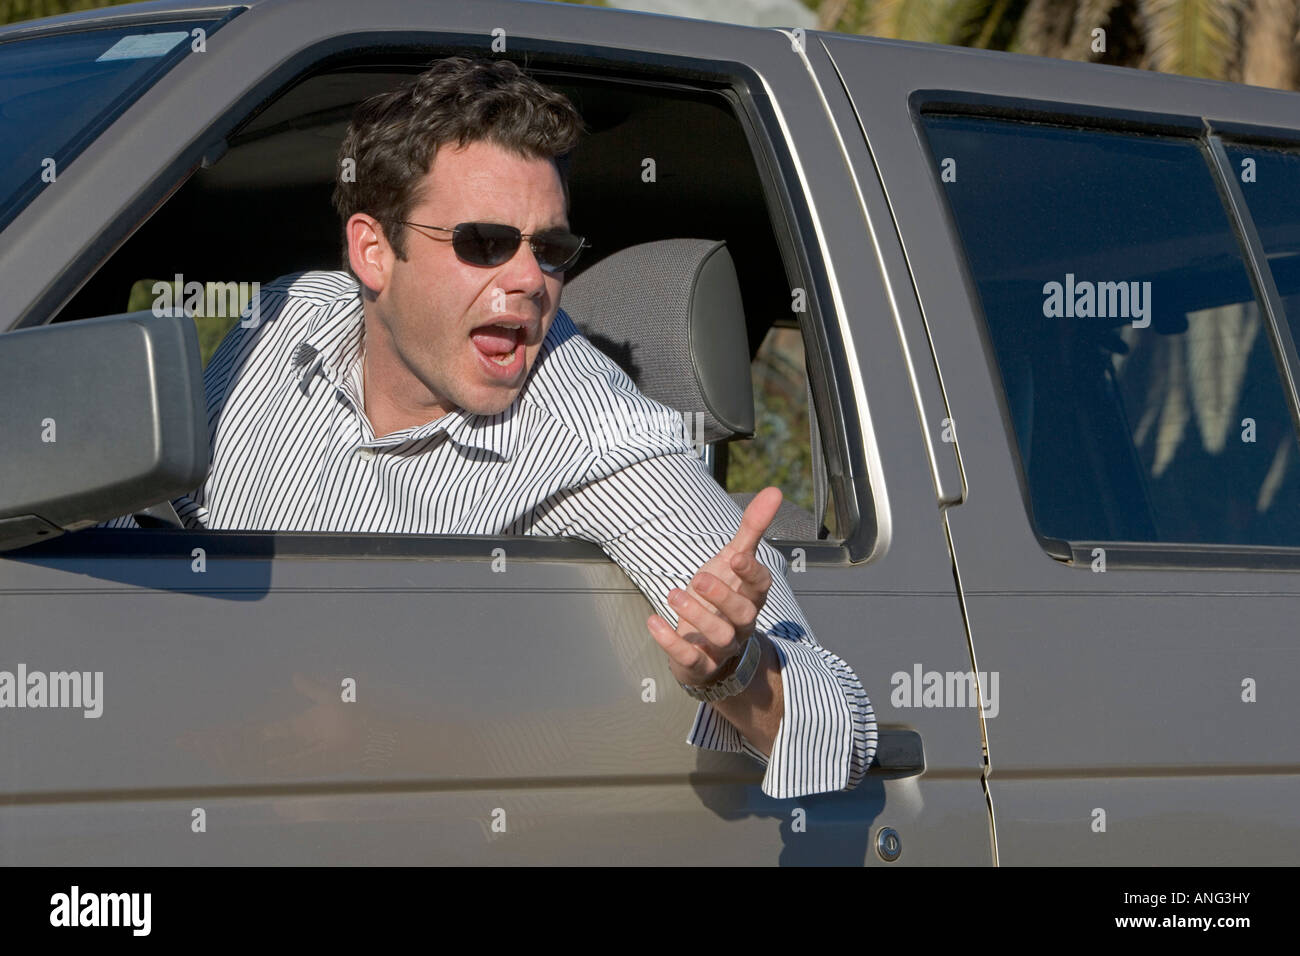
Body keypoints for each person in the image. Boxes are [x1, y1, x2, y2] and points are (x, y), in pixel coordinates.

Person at [100, 56, 876, 798]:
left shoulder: (600, 438)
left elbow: (836, 731)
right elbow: (162, 530)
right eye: (484, 243)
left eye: (552, 248)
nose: (528, 279)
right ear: (372, 250)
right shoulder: (284, 318)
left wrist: (734, 671)